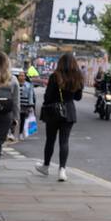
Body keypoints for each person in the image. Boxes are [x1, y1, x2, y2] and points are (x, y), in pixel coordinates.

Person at [37, 51, 83, 182]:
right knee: (64, 141)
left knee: (50, 140)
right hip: (69, 111)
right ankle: (62, 170)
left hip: (54, 111)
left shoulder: (55, 76)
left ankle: (46, 166)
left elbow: (48, 96)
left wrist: (46, 106)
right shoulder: (78, 77)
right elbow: (78, 97)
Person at [18, 72, 36, 138]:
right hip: (16, 105)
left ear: (25, 77)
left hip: (24, 105)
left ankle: (20, 133)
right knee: (14, 119)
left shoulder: (29, 85)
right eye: (20, 75)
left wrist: (30, 105)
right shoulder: (15, 84)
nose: (21, 77)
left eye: (23, 76)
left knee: (23, 119)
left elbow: (31, 96)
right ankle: (12, 132)